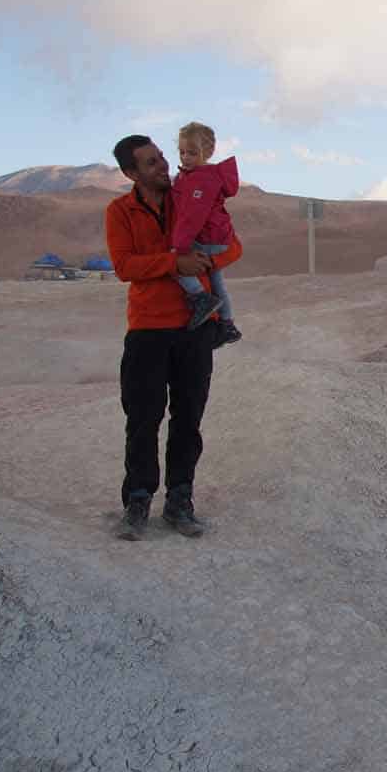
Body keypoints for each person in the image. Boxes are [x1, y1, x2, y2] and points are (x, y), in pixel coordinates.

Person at [105, 134, 243, 541]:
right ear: (131, 173)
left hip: (195, 330)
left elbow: (233, 247)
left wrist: (203, 260)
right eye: (151, 163)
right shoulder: (120, 211)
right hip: (147, 329)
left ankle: (180, 500)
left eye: (162, 157)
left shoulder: (191, 195)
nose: (163, 166)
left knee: (189, 419)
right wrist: (173, 262)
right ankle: (138, 500)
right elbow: (124, 265)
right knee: (143, 419)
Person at [172, 121, 243, 345]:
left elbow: (193, 216)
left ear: (208, 152)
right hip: (220, 237)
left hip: (207, 238)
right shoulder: (205, 176)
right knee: (217, 280)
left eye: (192, 153)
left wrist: (180, 246)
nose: (185, 158)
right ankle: (227, 324)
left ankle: (200, 298)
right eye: (182, 152)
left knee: (176, 264)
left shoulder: (200, 180)